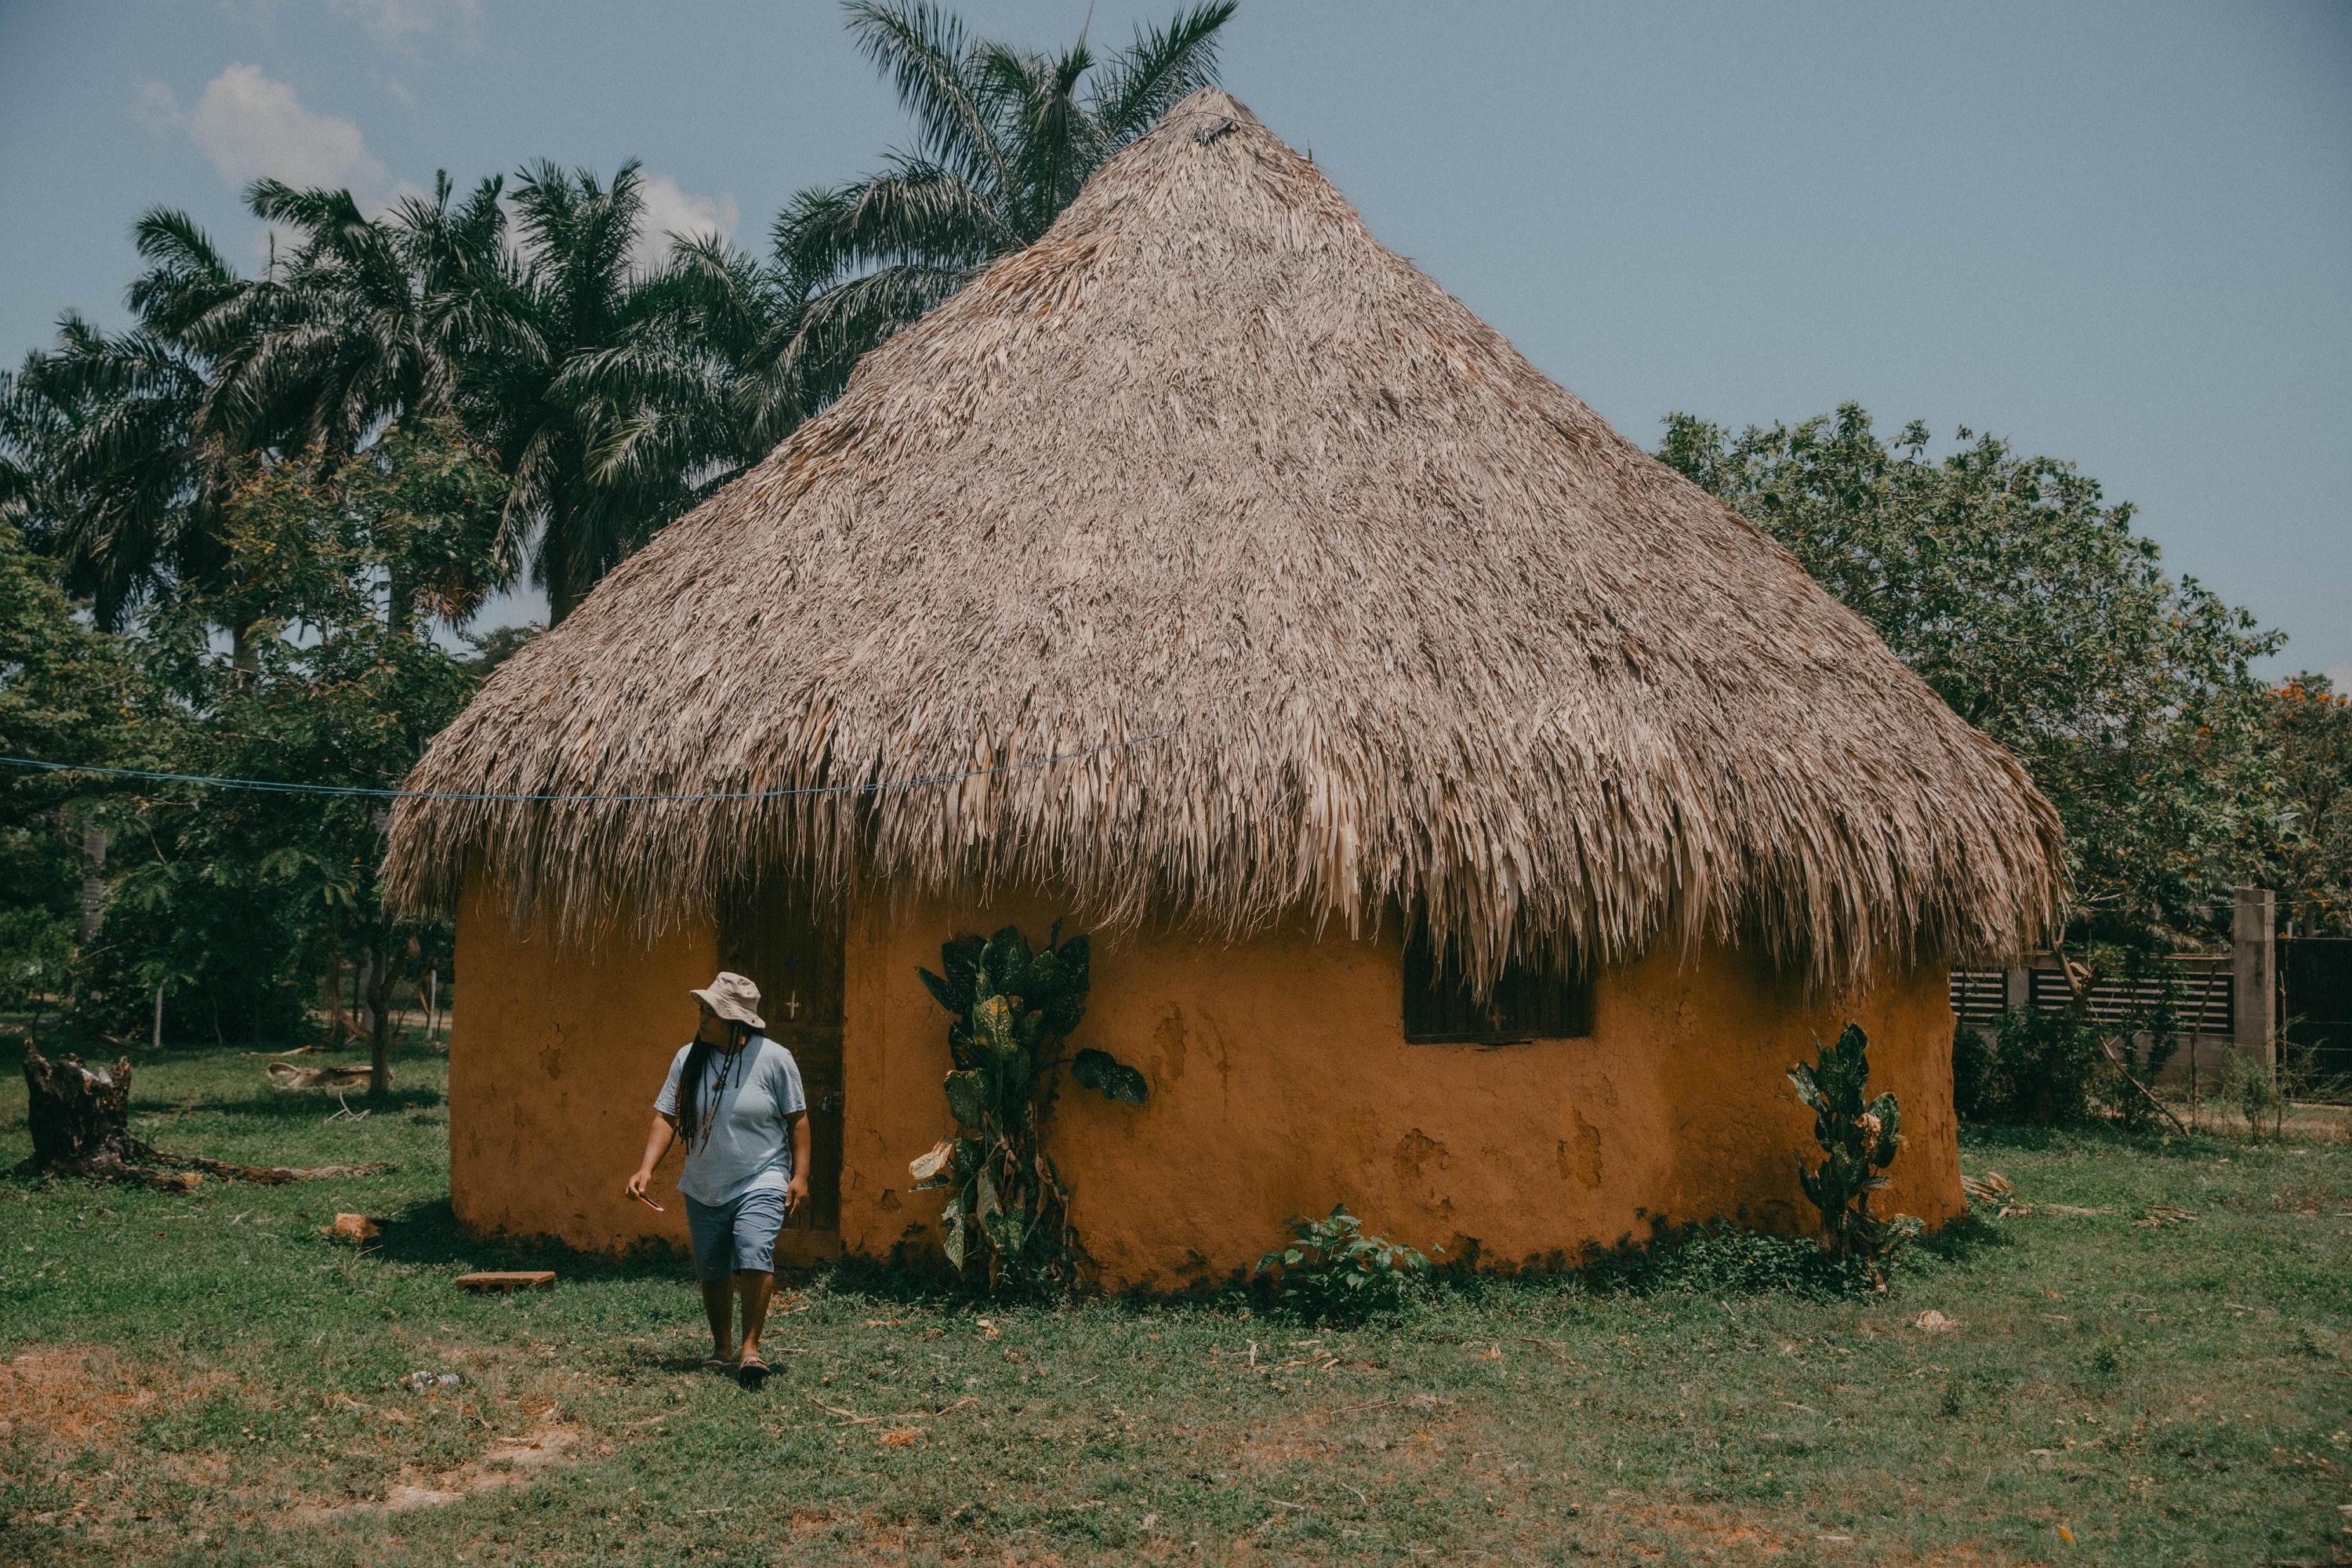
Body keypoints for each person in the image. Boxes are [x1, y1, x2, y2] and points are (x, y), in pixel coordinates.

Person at [626, 971, 809, 1387]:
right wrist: (646, 1168)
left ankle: (750, 1348)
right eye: (702, 1010)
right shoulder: (688, 1058)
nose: (702, 1017)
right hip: (705, 1182)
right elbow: (667, 1116)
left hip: (763, 1175)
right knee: (712, 1266)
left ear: (735, 1020)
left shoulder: (774, 1059)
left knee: (753, 1248)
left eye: (710, 1012)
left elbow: (797, 1120)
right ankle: (721, 1348)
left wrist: (800, 1176)